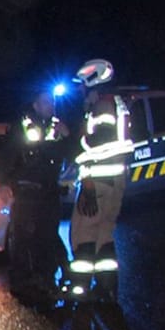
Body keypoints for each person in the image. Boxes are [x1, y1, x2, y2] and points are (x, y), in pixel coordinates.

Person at [69, 66, 132, 299]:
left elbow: (99, 142)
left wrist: (78, 136)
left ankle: (80, 287)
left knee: (83, 234)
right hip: (114, 182)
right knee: (104, 235)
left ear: (94, 85)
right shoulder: (118, 104)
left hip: (98, 182)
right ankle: (107, 287)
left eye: (83, 87)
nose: (81, 92)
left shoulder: (102, 107)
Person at [7, 90, 72, 302]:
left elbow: (67, 153)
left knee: (47, 236)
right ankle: (22, 282)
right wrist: (3, 183)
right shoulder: (25, 125)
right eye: (46, 102)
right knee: (24, 238)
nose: (51, 105)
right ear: (35, 104)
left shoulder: (56, 126)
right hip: (27, 191)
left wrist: (67, 136)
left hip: (49, 190)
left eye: (52, 102)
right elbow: (10, 154)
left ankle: (46, 280)